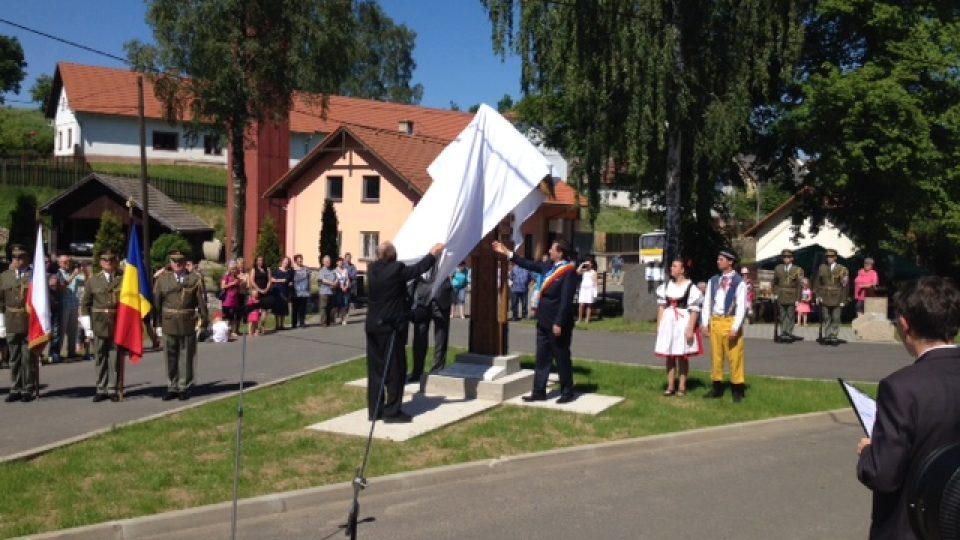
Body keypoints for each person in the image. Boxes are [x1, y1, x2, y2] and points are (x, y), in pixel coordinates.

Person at [856, 276, 960, 540]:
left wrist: (868, 452)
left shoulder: (900, 388)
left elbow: (883, 475)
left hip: (912, 525)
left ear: (905, 326)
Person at [365, 241, 444, 423]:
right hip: (391, 327)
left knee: (376, 370)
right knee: (396, 370)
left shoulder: (372, 269)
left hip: (373, 326)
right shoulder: (397, 269)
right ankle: (392, 412)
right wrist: (433, 253)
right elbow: (418, 269)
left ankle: (375, 411)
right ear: (393, 257)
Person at [492, 239, 579, 404]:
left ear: (560, 253)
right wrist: (507, 253)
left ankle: (567, 391)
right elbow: (528, 264)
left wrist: (559, 322)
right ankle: (539, 391)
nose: (550, 251)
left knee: (561, 357)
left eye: (552, 249)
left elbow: (566, 300)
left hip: (558, 323)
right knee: (542, 357)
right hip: (543, 321)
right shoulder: (548, 267)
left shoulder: (568, 271)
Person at [154, 250, 208, 401]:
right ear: (170, 263)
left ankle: (184, 386)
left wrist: (202, 323)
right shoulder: (163, 280)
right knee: (170, 357)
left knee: (186, 356)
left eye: (180, 262)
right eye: (174, 262)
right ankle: (172, 386)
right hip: (168, 322)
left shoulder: (195, 279)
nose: (177, 264)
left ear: (185, 263)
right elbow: (157, 304)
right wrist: (157, 324)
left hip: (187, 322)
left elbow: (202, 304)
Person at [701, 249, 749, 403]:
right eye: (718, 259)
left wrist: (735, 327)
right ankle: (717, 387)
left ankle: (737, 389)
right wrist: (704, 323)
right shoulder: (713, 281)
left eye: (721, 259)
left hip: (730, 320)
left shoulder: (739, 282)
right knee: (716, 356)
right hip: (716, 321)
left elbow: (741, 307)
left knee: (735, 356)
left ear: (730, 262)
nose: (718, 261)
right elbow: (707, 302)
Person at [79, 251, 123, 402]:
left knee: (115, 357)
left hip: (117, 323)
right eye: (105, 261)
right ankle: (101, 388)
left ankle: (113, 388)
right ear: (101, 263)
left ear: (115, 262)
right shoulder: (93, 281)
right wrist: (87, 326)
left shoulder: (122, 279)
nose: (108, 263)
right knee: (100, 357)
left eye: (111, 260)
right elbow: (85, 304)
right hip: (98, 323)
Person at [655, 259, 703, 397]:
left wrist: (690, 329)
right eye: (672, 265)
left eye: (674, 266)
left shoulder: (690, 287)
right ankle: (670, 386)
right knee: (669, 356)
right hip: (668, 323)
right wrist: (659, 327)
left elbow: (694, 310)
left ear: (682, 270)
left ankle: (682, 386)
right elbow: (662, 307)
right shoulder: (666, 286)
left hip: (682, 322)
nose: (671, 268)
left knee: (682, 356)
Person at [1, 245, 37, 402]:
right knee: (14, 357)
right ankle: (15, 388)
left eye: (21, 258)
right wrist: (1, 322)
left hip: (29, 321)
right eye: (15, 258)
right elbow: (1, 300)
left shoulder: (34, 276)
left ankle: (27, 389)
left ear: (27, 259)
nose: (17, 261)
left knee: (27, 357)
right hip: (11, 320)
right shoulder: (5, 276)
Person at [409, 262, 454, 383]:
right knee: (419, 335)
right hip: (422, 299)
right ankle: (417, 372)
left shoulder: (445, 253)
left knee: (441, 336)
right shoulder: (421, 255)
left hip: (441, 297)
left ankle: (437, 370)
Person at [815, 248, 849, 346]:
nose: (829, 258)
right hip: (825, 295)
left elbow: (845, 285)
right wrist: (817, 296)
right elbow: (818, 283)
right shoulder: (822, 267)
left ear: (835, 258)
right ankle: (828, 336)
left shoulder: (842, 269)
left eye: (831, 257)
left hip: (837, 296)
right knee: (826, 317)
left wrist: (843, 299)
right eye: (827, 257)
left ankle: (834, 336)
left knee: (836, 317)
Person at [773, 249, 804, 342]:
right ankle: (783, 332)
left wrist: (798, 299)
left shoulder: (798, 270)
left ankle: (789, 332)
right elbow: (774, 282)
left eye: (788, 257)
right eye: (784, 257)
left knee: (790, 315)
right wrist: (775, 293)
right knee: (782, 315)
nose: (786, 259)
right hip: (781, 294)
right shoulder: (778, 268)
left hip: (792, 295)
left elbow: (800, 285)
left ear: (792, 258)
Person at [248, 256, 272, 329]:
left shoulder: (267, 269)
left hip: (265, 291)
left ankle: (262, 325)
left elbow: (269, 280)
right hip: (256, 292)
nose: (260, 262)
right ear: (256, 261)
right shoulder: (254, 269)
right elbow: (252, 281)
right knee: (256, 310)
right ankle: (255, 327)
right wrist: (259, 289)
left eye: (261, 260)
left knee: (265, 309)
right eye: (259, 260)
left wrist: (266, 289)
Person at [220, 261, 243, 337]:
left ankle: (233, 331)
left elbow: (239, 287)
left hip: (235, 298)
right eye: (232, 269)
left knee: (234, 315)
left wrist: (240, 283)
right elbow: (223, 286)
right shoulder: (226, 276)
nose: (234, 270)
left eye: (235, 269)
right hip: (228, 298)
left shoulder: (236, 277)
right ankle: (228, 331)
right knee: (228, 316)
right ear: (230, 269)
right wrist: (232, 283)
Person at [271, 256, 293, 330]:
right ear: (282, 261)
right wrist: (280, 280)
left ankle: (282, 325)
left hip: (285, 291)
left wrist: (289, 282)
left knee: (283, 307)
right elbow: (272, 279)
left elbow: (288, 280)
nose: (285, 263)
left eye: (287, 262)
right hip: (277, 290)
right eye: (285, 261)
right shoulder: (277, 269)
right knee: (276, 308)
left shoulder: (289, 271)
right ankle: (276, 325)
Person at [291, 254, 312, 328]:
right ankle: (294, 323)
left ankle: (302, 322)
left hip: (304, 291)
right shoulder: (292, 269)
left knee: (303, 308)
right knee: (295, 308)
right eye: (298, 259)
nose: (300, 260)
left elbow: (309, 279)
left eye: (301, 259)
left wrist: (309, 289)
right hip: (295, 292)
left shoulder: (306, 269)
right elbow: (290, 279)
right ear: (295, 260)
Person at [317, 255, 337, 327]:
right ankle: (323, 322)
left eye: (329, 261)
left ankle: (331, 321)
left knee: (331, 308)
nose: (328, 262)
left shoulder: (333, 270)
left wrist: (335, 283)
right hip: (324, 292)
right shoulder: (321, 270)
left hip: (332, 292)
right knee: (323, 307)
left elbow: (336, 278)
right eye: (326, 261)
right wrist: (332, 283)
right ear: (323, 262)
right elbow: (322, 280)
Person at [577, 260, 598, 324]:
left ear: (591, 264)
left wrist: (595, 292)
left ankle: (587, 319)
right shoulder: (584, 271)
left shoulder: (593, 272)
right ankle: (580, 318)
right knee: (581, 304)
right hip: (583, 289)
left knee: (589, 305)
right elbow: (577, 272)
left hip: (590, 289)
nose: (587, 264)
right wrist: (582, 264)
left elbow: (595, 282)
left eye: (589, 263)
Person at [334, 257, 351, 324]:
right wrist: (340, 287)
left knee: (344, 304)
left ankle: (343, 319)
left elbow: (347, 279)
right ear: (337, 263)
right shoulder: (334, 271)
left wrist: (346, 286)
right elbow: (335, 280)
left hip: (344, 289)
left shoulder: (345, 270)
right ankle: (336, 317)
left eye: (342, 262)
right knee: (338, 304)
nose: (341, 263)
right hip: (337, 289)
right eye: (339, 262)